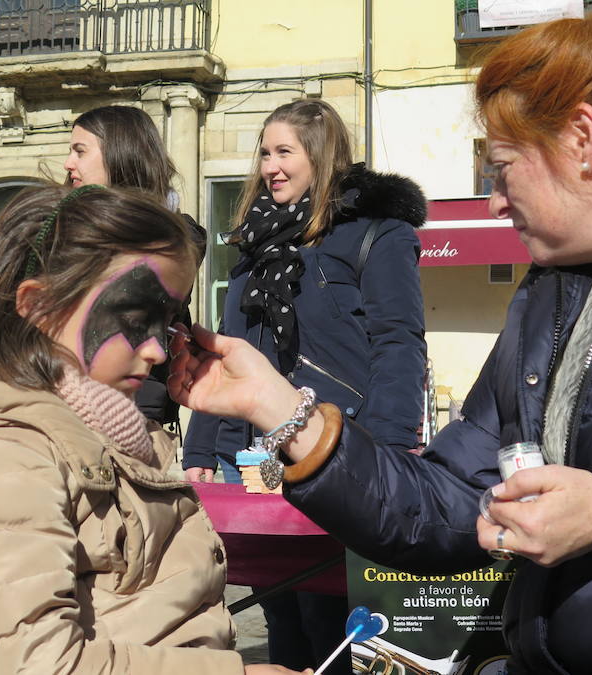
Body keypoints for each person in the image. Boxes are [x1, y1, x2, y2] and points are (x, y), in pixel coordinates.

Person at [168, 7, 592, 674]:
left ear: (582, 140)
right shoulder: (554, 295)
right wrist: (281, 410)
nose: (496, 201)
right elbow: (443, 506)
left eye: (501, 166)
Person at [0, 184, 304, 675]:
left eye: (168, 325)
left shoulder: (111, 431)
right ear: (38, 306)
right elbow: (36, 666)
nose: (159, 350)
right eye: (137, 318)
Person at [182, 98, 428, 673]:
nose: (269, 165)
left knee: (331, 613)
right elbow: (225, 356)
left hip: (336, 449)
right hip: (252, 457)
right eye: (263, 152)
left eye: (283, 151)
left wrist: (390, 449)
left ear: (321, 155)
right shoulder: (253, 252)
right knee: (278, 607)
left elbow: (399, 343)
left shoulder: (377, 235)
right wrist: (199, 450)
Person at [65, 104, 207, 430]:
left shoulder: (176, 237)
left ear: (120, 154)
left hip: (133, 405)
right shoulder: (62, 226)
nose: (69, 163)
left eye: (80, 151)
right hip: (63, 399)